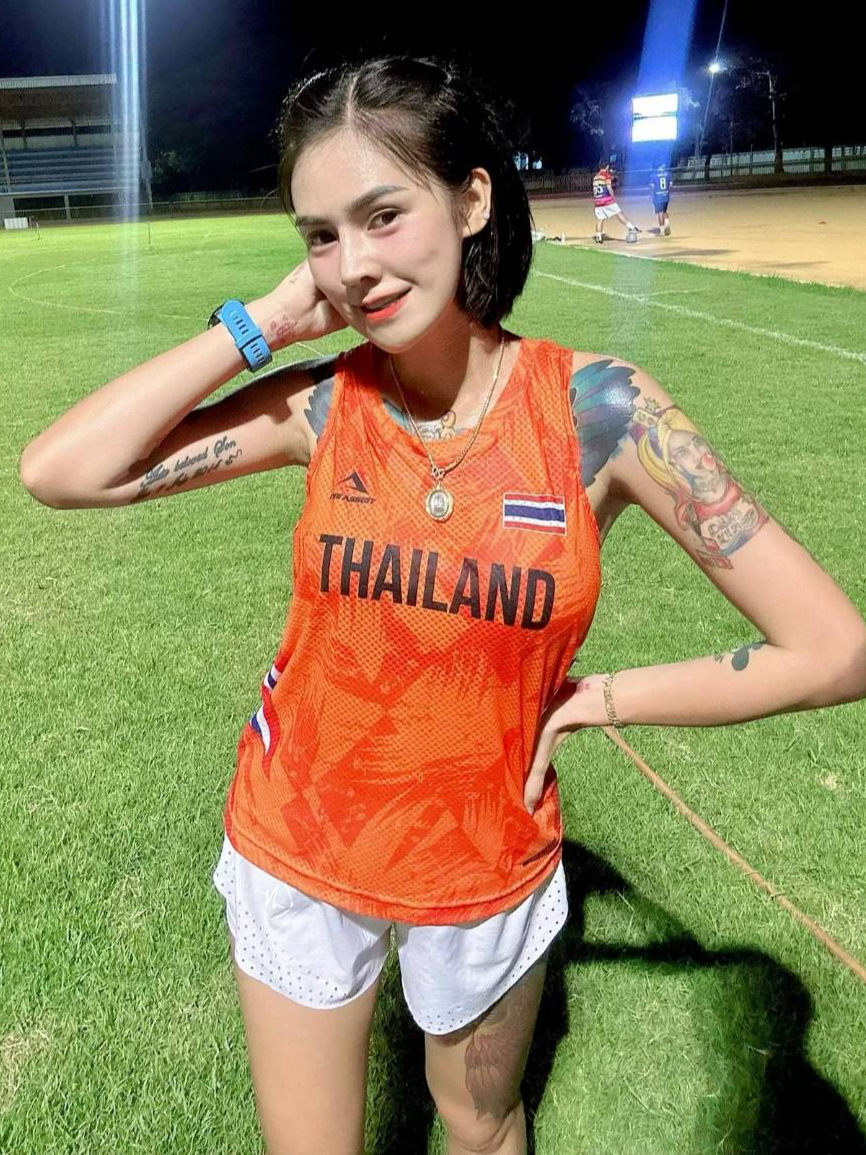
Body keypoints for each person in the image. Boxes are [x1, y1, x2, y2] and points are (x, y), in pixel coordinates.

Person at [18, 53, 866, 1155]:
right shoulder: (324, 405)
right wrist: (263, 321)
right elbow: (63, 471)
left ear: (471, 200)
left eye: (382, 215)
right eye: (321, 235)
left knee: (480, 1124)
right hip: (297, 842)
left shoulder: (601, 411)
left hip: (484, 860)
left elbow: (832, 648)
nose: (354, 267)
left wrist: (600, 697)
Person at [592, 162, 640, 244]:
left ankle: (598, 237)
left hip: (597, 201)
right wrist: (613, 197)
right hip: (606, 200)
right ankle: (631, 227)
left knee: (600, 219)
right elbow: (609, 187)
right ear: (607, 167)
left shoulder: (596, 177)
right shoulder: (606, 175)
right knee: (618, 213)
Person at [650, 162, 672, 235]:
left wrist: (652, 196)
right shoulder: (668, 174)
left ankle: (662, 231)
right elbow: (671, 185)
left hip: (658, 196)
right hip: (666, 196)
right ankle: (667, 223)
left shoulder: (653, 175)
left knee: (660, 213)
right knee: (664, 211)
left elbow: (652, 187)